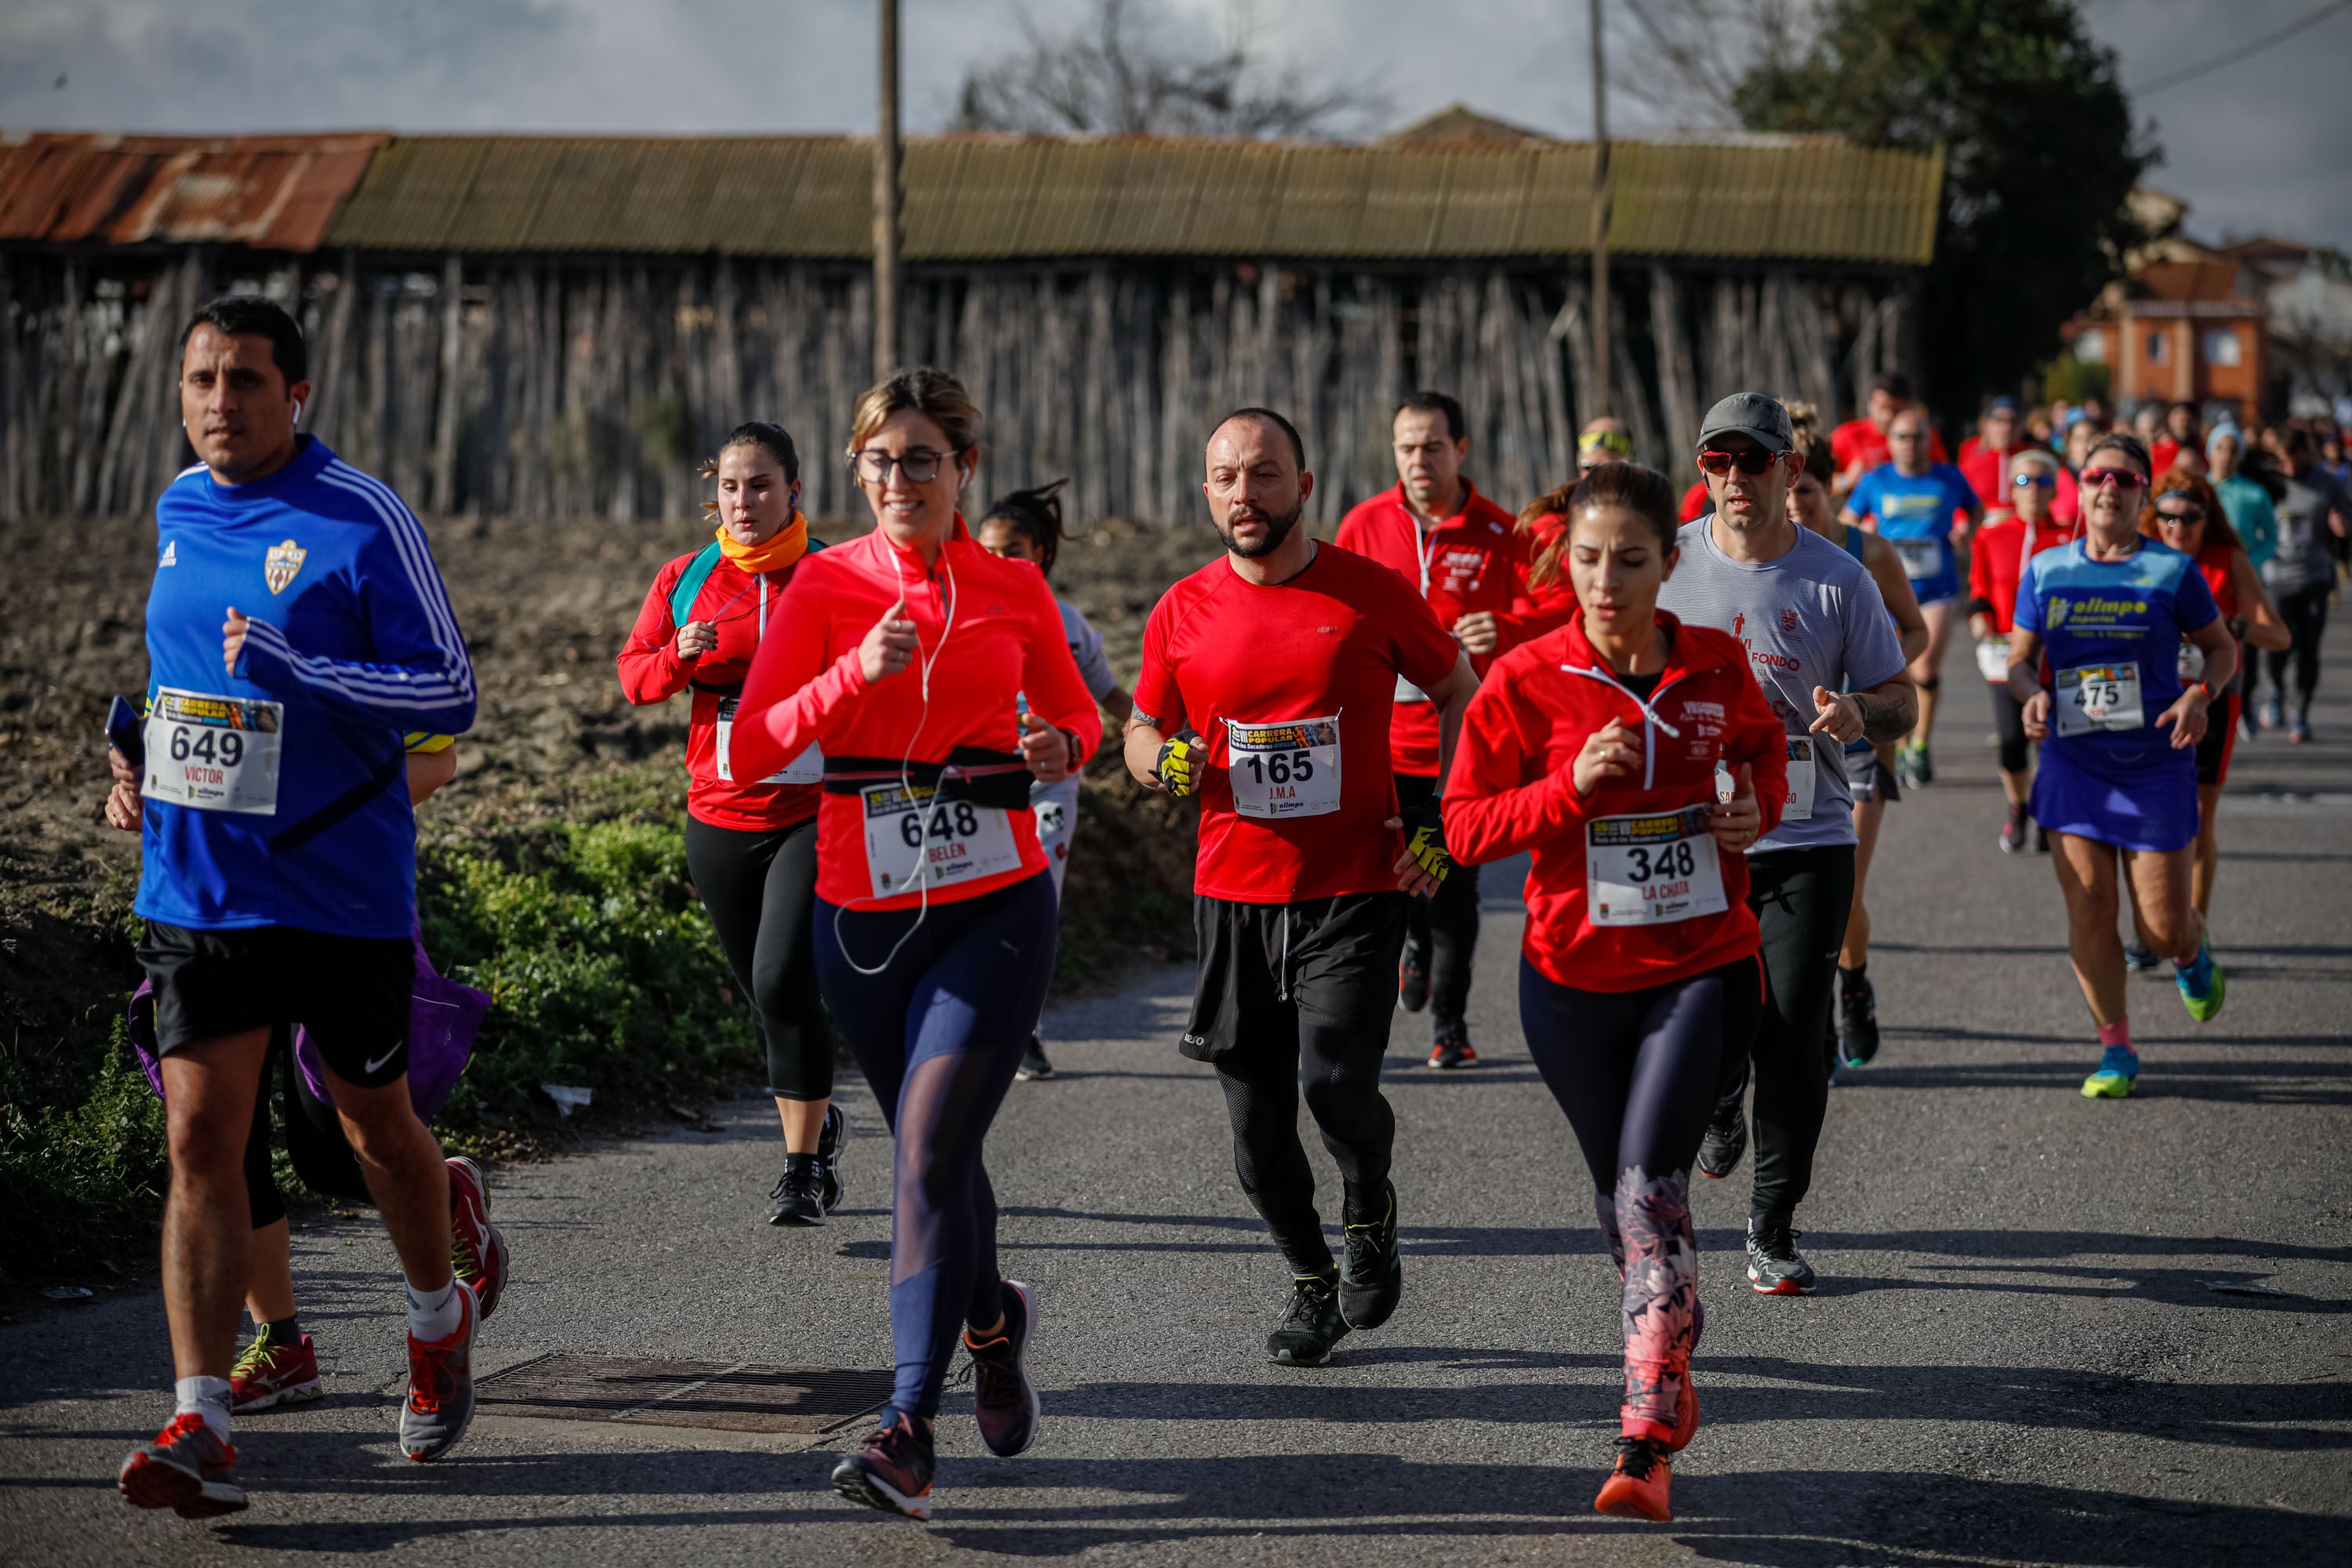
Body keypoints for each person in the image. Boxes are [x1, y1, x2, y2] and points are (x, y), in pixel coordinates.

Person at [105, 296, 484, 1515]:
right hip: (199, 885)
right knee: (201, 1141)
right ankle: (200, 1414)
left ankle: (436, 1319)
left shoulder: (360, 516)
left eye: (248, 381)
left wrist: (304, 668)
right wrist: (136, 752)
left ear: (297, 396)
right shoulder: (174, 510)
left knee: (374, 1129)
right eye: (204, 378)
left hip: (338, 890)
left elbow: (451, 689)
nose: (223, 401)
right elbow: (182, 674)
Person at [726, 368, 1099, 1518]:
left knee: (926, 1152)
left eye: (924, 459)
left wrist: (1057, 745)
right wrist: (851, 673)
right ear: (858, 471)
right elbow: (749, 750)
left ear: (963, 471)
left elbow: (1082, 716)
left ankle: (906, 1427)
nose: (901, 480)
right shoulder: (825, 587)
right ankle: (995, 1323)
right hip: (863, 917)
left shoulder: (1012, 586)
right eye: (881, 461)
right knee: (941, 1160)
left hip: (994, 903)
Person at [1443, 460, 1784, 1523]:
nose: (1605, 579)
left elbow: (1769, 759)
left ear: (1668, 564)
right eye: (1587, 559)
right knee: (1622, 1203)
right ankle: (1671, 1347)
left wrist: (1750, 815)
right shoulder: (1526, 681)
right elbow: (1462, 828)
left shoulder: (1718, 666)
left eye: (1629, 560)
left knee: (1649, 1192)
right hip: (1570, 979)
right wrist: (1564, 791)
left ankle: (1643, 1431)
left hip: (1699, 965)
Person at [1127, 406, 1476, 1367]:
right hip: (1233, 893)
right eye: (1228, 476)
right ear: (1207, 491)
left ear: (1305, 487)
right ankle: (1312, 1280)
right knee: (1255, 1138)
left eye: (1267, 474)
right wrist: (1166, 765)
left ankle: (1371, 1203)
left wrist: (1439, 823)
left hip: (1355, 886)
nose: (1247, 493)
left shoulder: (1370, 593)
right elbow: (1139, 731)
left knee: (1335, 1082)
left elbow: (1463, 689)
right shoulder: (1181, 609)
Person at [1657, 392, 1915, 1294]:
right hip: (1696, 835)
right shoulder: (1666, 563)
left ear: (1788, 469)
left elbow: (1902, 699)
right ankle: (1722, 1094)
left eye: (1751, 460)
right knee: (1711, 1031)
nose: (1733, 477)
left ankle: (1772, 1223)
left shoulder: (1837, 575)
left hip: (1807, 833)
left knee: (1797, 1035)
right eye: (1715, 461)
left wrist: (1857, 712)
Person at [617, 422, 848, 1226]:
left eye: (761, 485)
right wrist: (679, 652)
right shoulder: (686, 577)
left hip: (810, 813)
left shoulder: (835, 574)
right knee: (763, 989)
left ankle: (802, 1169)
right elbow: (634, 677)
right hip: (717, 815)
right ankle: (816, 1106)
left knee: (783, 976)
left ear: (795, 492)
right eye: (730, 486)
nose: (744, 501)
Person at [1336, 391, 1569, 1069]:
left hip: (1465, 744)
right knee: (1391, 876)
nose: (1418, 461)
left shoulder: (1501, 531)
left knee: (1453, 885)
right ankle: (1410, 943)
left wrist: (1509, 628)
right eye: (1406, 447)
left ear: (1460, 451)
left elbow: (1562, 605)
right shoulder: (1363, 524)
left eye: (1432, 447)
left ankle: (1450, 1024)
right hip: (1379, 745)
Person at [2009, 433, 2235, 1097]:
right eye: (2098, 476)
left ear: (2141, 495)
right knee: (2089, 907)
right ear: (2080, 489)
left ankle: (2191, 954)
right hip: (2073, 763)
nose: (2110, 487)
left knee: (2160, 928)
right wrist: (2032, 694)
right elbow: (2020, 661)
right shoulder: (2047, 569)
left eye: (2126, 480)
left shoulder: (2171, 571)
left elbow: (2220, 650)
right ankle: (2116, 1050)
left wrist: (2201, 693)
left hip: (2155, 763)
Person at [975, 477, 1138, 1081]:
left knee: (1037, 909)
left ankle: (1026, 1032)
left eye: (1012, 550)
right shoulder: (967, 617)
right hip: (982, 790)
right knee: (982, 910)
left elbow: (1110, 695)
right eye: (988, 550)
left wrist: (1160, 729)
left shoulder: (1069, 624)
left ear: (1039, 552)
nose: (1000, 562)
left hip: (1053, 789)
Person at [1784, 405, 1927, 1073]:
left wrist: (1873, 677)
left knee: (1844, 894)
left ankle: (1853, 988)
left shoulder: (1868, 553)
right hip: (1793, 750)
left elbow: (1915, 631)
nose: (1794, 506)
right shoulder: (1758, 553)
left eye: (1806, 492)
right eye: (1784, 492)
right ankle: (1813, 1017)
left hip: (1865, 743)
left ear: (1831, 490)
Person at [2137, 472, 2289, 954]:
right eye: (2168, 517)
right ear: (2154, 517)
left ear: (2208, 519)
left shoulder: (2228, 560)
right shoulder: (2142, 558)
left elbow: (2279, 636)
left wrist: (2231, 627)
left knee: (2200, 818)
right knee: (2143, 817)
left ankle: (2192, 931)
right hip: (2151, 701)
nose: (2178, 528)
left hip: (2213, 698)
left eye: (2190, 518)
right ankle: (2151, 925)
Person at [1841, 408, 1982, 787]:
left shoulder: (1948, 478)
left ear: (1928, 441)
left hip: (1937, 588)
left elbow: (1975, 509)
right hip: (1886, 593)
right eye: (1902, 437)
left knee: (1924, 668)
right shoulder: (1876, 480)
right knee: (1891, 671)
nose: (1910, 445)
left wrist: (1965, 530)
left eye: (1918, 437)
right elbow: (1845, 521)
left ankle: (1919, 744)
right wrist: (1865, 538)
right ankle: (1902, 743)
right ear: (1890, 442)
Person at [1966, 446, 2074, 853]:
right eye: (2023, 481)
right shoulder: (1991, 536)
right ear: (2011, 488)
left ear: (2053, 491)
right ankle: (2018, 806)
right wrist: (1980, 619)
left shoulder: (2069, 539)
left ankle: (2048, 811)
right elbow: (1979, 589)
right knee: (2012, 738)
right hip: (2006, 652)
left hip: (2056, 654)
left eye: (2042, 482)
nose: (2032, 489)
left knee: (2049, 738)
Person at [2254, 424, 2349, 742]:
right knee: (2278, 645)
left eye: (2295, 459)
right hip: (2276, 577)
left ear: (2306, 454)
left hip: (2315, 575)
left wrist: (2341, 526)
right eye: (2284, 461)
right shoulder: (2267, 483)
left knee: (2309, 650)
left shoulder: (2327, 484)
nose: (2290, 467)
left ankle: (2302, 712)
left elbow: (2346, 520)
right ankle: (2277, 691)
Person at [1830, 372, 1947, 497]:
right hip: (1865, 514)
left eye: (1895, 410)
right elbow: (1816, 484)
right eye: (1883, 408)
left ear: (1908, 407)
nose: (1888, 416)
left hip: (1915, 509)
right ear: (1870, 404)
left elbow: (1945, 480)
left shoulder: (1924, 435)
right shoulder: (1846, 436)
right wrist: (1846, 481)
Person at [1958, 397, 2027, 517]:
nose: (2006, 428)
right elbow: (1960, 500)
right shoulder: (1972, 459)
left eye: (2013, 421)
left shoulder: (2031, 458)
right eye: (1998, 421)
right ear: (1986, 425)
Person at [2151, 401, 2200, 479]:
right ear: (2169, 421)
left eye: (2187, 419)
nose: (2183, 423)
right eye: (2179, 418)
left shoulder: (2201, 447)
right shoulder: (2158, 451)